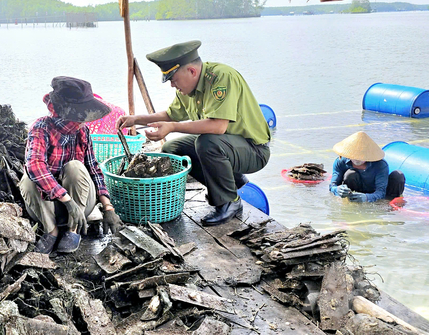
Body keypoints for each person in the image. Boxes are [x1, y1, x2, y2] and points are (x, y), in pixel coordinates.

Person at [116, 40, 271, 226]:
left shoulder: (221, 78)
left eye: (174, 79)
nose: (172, 85)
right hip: (228, 146)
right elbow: (170, 114)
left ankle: (229, 202)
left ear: (191, 71)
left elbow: (218, 127)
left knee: (207, 143)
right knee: (171, 147)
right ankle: (231, 182)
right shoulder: (187, 88)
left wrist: (172, 127)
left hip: (254, 150)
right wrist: (136, 119)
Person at [20, 77, 124, 254]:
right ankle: (50, 231)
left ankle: (72, 230)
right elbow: (34, 166)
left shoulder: (82, 132)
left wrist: (108, 207)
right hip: (47, 207)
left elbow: (94, 170)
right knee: (28, 179)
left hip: (80, 207)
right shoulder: (41, 127)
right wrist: (66, 200)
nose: (84, 120)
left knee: (75, 166)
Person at [329, 131, 405, 202]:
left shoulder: (380, 165)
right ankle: (352, 200)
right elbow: (332, 186)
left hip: (374, 193)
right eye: (354, 155)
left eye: (361, 156)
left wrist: (366, 198)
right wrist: (337, 190)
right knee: (350, 174)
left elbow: (381, 192)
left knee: (398, 175)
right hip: (355, 191)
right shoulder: (340, 162)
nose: (357, 159)